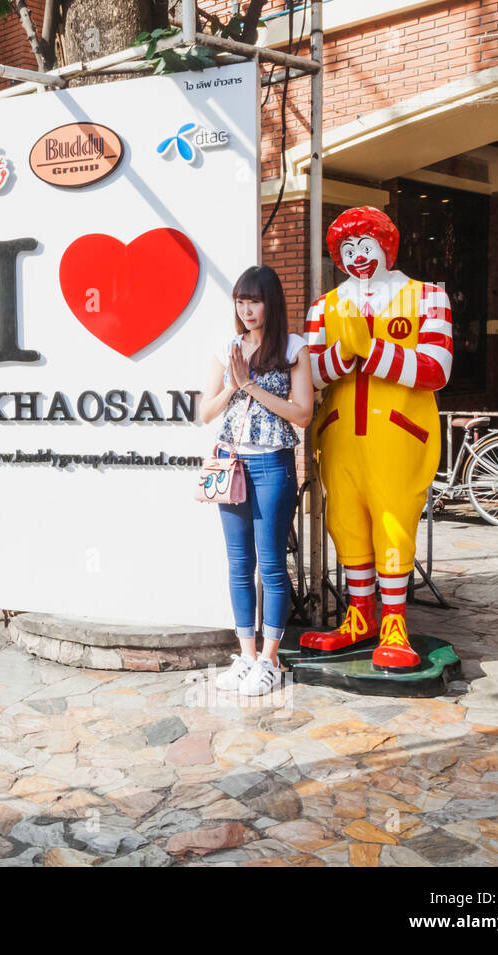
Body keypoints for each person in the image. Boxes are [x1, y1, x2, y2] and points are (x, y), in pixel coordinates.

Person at [300, 207, 453, 670]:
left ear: (387, 246)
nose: (358, 257)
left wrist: (371, 349)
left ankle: (394, 625)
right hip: (341, 436)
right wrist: (344, 356)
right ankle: (358, 617)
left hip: (399, 437)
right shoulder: (324, 307)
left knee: (392, 523)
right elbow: (310, 376)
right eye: (347, 250)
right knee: (346, 523)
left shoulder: (427, 298)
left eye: (365, 246)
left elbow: (436, 370)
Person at [198, 266, 314, 697]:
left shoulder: (293, 349)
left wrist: (250, 384)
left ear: (271, 303)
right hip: (231, 463)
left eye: (255, 301)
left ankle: (270, 659)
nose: (246, 310)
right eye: (240, 301)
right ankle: (246, 654)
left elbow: (302, 414)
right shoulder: (226, 347)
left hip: (272, 465)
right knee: (238, 564)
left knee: (270, 564)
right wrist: (233, 385)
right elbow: (205, 412)